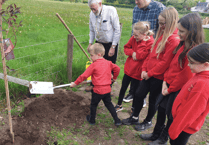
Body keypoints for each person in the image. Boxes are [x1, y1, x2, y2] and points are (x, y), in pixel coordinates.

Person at [140, 12, 205, 145]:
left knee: (171, 115)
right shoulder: (181, 44)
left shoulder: (193, 52)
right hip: (168, 85)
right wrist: (165, 81)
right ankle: (156, 134)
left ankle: (163, 139)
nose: (178, 33)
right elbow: (171, 65)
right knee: (161, 109)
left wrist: (169, 89)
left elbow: (184, 75)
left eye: (181, 31)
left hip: (176, 89)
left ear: (192, 31)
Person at [121, 7, 180, 130]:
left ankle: (147, 121)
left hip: (158, 77)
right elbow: (151, 54)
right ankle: (135, 117)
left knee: (153, 100)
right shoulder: (161, 34)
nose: (160, 26)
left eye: (162, 23)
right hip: (148, 73)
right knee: (138, 94)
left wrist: (150, 73)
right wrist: (144, 69)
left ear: (170, 22)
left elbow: (164, 63)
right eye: (159, 22)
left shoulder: (173, 40)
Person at [124, 0, 165, 104]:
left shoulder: (159, 8)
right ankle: (132, 93)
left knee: (145, 74)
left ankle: (142, 98)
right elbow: (133, 30)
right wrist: (132, 47)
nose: (135, 2)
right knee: (135, 71)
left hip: (151, 49)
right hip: (137, 48)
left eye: (138, 0)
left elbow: (164, 31)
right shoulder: (136, 9)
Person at [70, 43, 122, 126]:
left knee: (93, 105)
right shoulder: (108, 63)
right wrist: (114, 78)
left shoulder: (93, 65)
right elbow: (117, 69)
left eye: (91, 55)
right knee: (109, 104)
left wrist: (75, 83)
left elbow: (83, 76)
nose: (90, 57)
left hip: (97, 91)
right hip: (107, 89)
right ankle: (117, 120)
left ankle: (92, 120)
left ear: (98, 54)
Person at [168, 43, 209, 145]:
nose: (188, 65)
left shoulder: (202, 85)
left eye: (192, 63)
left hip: (183, 127)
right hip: (180, 123)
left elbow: (190, 112)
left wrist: (174, 130)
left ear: (206, 65)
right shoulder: (200, 75)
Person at [114, 21, 154, 113]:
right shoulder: (133, 38)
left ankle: (133, 108)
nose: (134, 37)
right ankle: (119, 105)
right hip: (129, 69)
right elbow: (126, 48)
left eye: (136, 35)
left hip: (138, 72)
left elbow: (143, 56)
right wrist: (132, 53)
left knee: (136, 92)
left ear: (144, 34)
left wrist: (138, 52)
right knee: (123, 87)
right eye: (134, 34)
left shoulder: (150, 42)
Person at [85, 0, 121, 92]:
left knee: (109, 67)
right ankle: (94, 85)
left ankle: (108, 87)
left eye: (94, 8)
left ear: (100, 4)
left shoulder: (111, 10)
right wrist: (90, 43)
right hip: (98, 43)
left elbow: (117, 30)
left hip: (110, 44)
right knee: (96, 65)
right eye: (91, 9)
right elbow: (92, 30)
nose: (93, 11)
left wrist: (113, 46)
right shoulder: (92, 14)